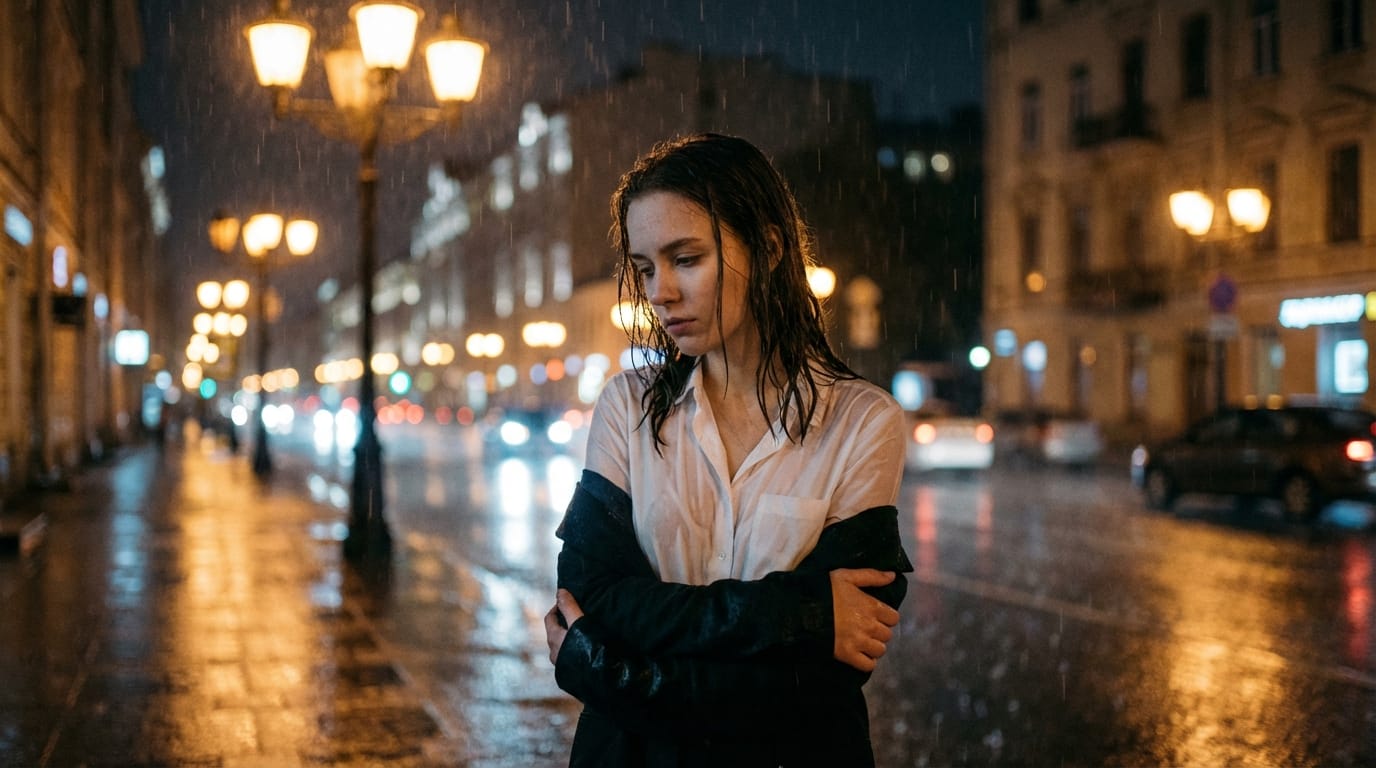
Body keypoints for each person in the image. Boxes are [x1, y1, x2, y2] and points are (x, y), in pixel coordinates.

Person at [544, 132, 912, 767]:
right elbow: (591, 595)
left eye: (686, 259)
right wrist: (798, 612)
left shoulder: (860, 421)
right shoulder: (628, 406)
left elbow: (821, 685)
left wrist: (609, 673)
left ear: (768, 249)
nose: (660, 292)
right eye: (645, 267)